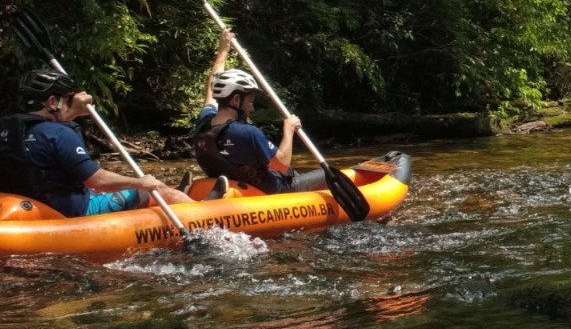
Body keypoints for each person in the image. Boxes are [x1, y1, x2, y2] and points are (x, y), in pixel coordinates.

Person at [0, 70, 192, 218]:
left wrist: (69, 114)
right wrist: (140, 182)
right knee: (157, 189)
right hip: (74, 211)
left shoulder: (8, 130)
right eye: (67, 99)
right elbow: (97, 180)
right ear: (52, 102)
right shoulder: (58, 134)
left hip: (34, 206)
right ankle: (201, 211)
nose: (70, 103)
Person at [193, 67, 327, 195]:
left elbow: (210, 95)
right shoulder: (246, 132)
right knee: (329, 175)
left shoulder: (204, 122)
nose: (252, 109)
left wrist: (223, 50)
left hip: (242, 183)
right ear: (236, 100)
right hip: (276, 190)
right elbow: (282, 164)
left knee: (293, 173)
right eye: (250, 102)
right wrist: (289, 129)